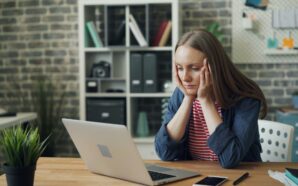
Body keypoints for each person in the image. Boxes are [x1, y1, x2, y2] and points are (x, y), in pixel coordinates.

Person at [154, 29, 267, 169]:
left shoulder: (245, 97)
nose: (185, 78)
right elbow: (164, 152)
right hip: (197, 176)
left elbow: (230, 159)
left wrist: (205, 100)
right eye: (180, 68)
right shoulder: (182, 93)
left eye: (194, 68)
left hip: (241, 178)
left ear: (214, 66)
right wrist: (188, 99)